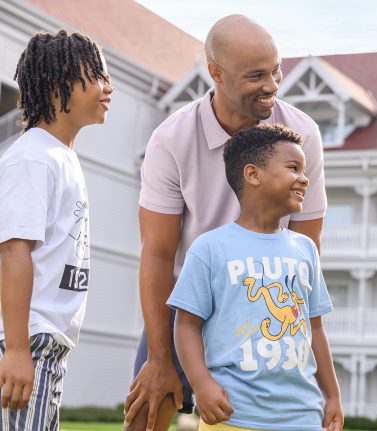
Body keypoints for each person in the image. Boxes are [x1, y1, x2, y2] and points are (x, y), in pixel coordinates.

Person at [124, 14, 327, 431]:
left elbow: (306, 252)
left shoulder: (301, 134)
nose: (272, 84)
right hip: (189, 301)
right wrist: (160, 357)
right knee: (146, 414)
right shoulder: (171, 138)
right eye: (256, 75)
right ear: (215, 72)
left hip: (262, 301)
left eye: (276, 70)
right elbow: (159, 255)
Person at [169, 124, 343, 431]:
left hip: (303, 417)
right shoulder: (210, 248)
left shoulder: (304, 249)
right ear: (253, 175)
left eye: (304, 170)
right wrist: (201, 383)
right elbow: (186, 325)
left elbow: (315, 328)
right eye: (293, 168)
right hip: (234, 415)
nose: (304, 178)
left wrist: (332, 395)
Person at [0, 29, 113, 430]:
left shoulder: (61, 157)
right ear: (55, 85)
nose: (108, 86)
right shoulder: (32, 158)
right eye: (96, 74)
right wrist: (16, 350)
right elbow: (13, 250)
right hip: (28, 341)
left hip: (49, 347)